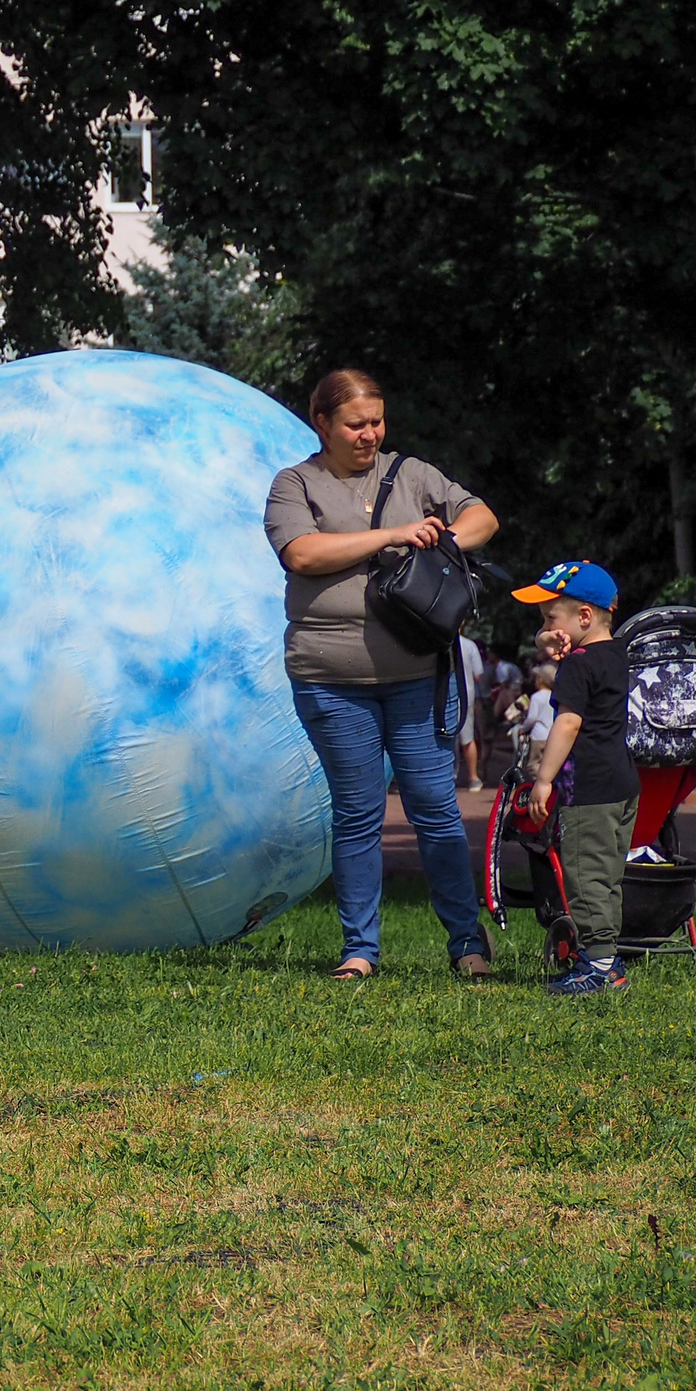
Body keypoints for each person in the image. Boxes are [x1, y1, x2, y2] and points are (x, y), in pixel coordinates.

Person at [264, 368, 501, 980]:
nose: (370, 434)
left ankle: (467, 945)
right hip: (330, 680)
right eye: (355, 424)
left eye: (377, 421)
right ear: (322, 423)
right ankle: (360, 950)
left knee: (435, 809)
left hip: (419, 677)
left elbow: (483, 518)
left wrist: (444, 537)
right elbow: (303, 553)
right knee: (357, 813)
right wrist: (394, 534)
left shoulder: (414, 474)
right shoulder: (295, 484)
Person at [517, 561, 638, 995]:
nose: (546, 626)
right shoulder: (616, 653)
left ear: (583, 617)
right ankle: (606, 958)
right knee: (607, 878)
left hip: (588, 790)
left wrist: (544, 779)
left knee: (585, 878)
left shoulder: (577, 667)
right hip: (622, 786)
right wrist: (548, 637)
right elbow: (553, 640)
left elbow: (566, 724)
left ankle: (600, 969)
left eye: (551, 616)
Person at [454, 634, 486, 790]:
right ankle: (473, 777)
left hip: (442, 695)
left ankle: (450, 776)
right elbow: (478, 674)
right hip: (466, 695)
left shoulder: (437, 641)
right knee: (467, 738)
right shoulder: (469, 645)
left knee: (445, 738)